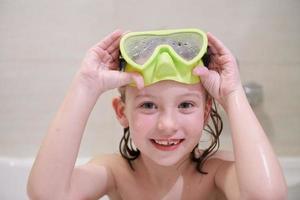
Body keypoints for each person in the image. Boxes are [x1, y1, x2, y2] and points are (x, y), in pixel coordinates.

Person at [27, 29, 287, 200]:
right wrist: (85, 85)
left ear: (207, 111)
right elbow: (47, 195)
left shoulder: (218, 173)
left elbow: (267, 197)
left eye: (185, 105)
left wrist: (232, 95)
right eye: (148, 106)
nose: (167, 125)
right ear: (122, 112)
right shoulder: (115, 172)